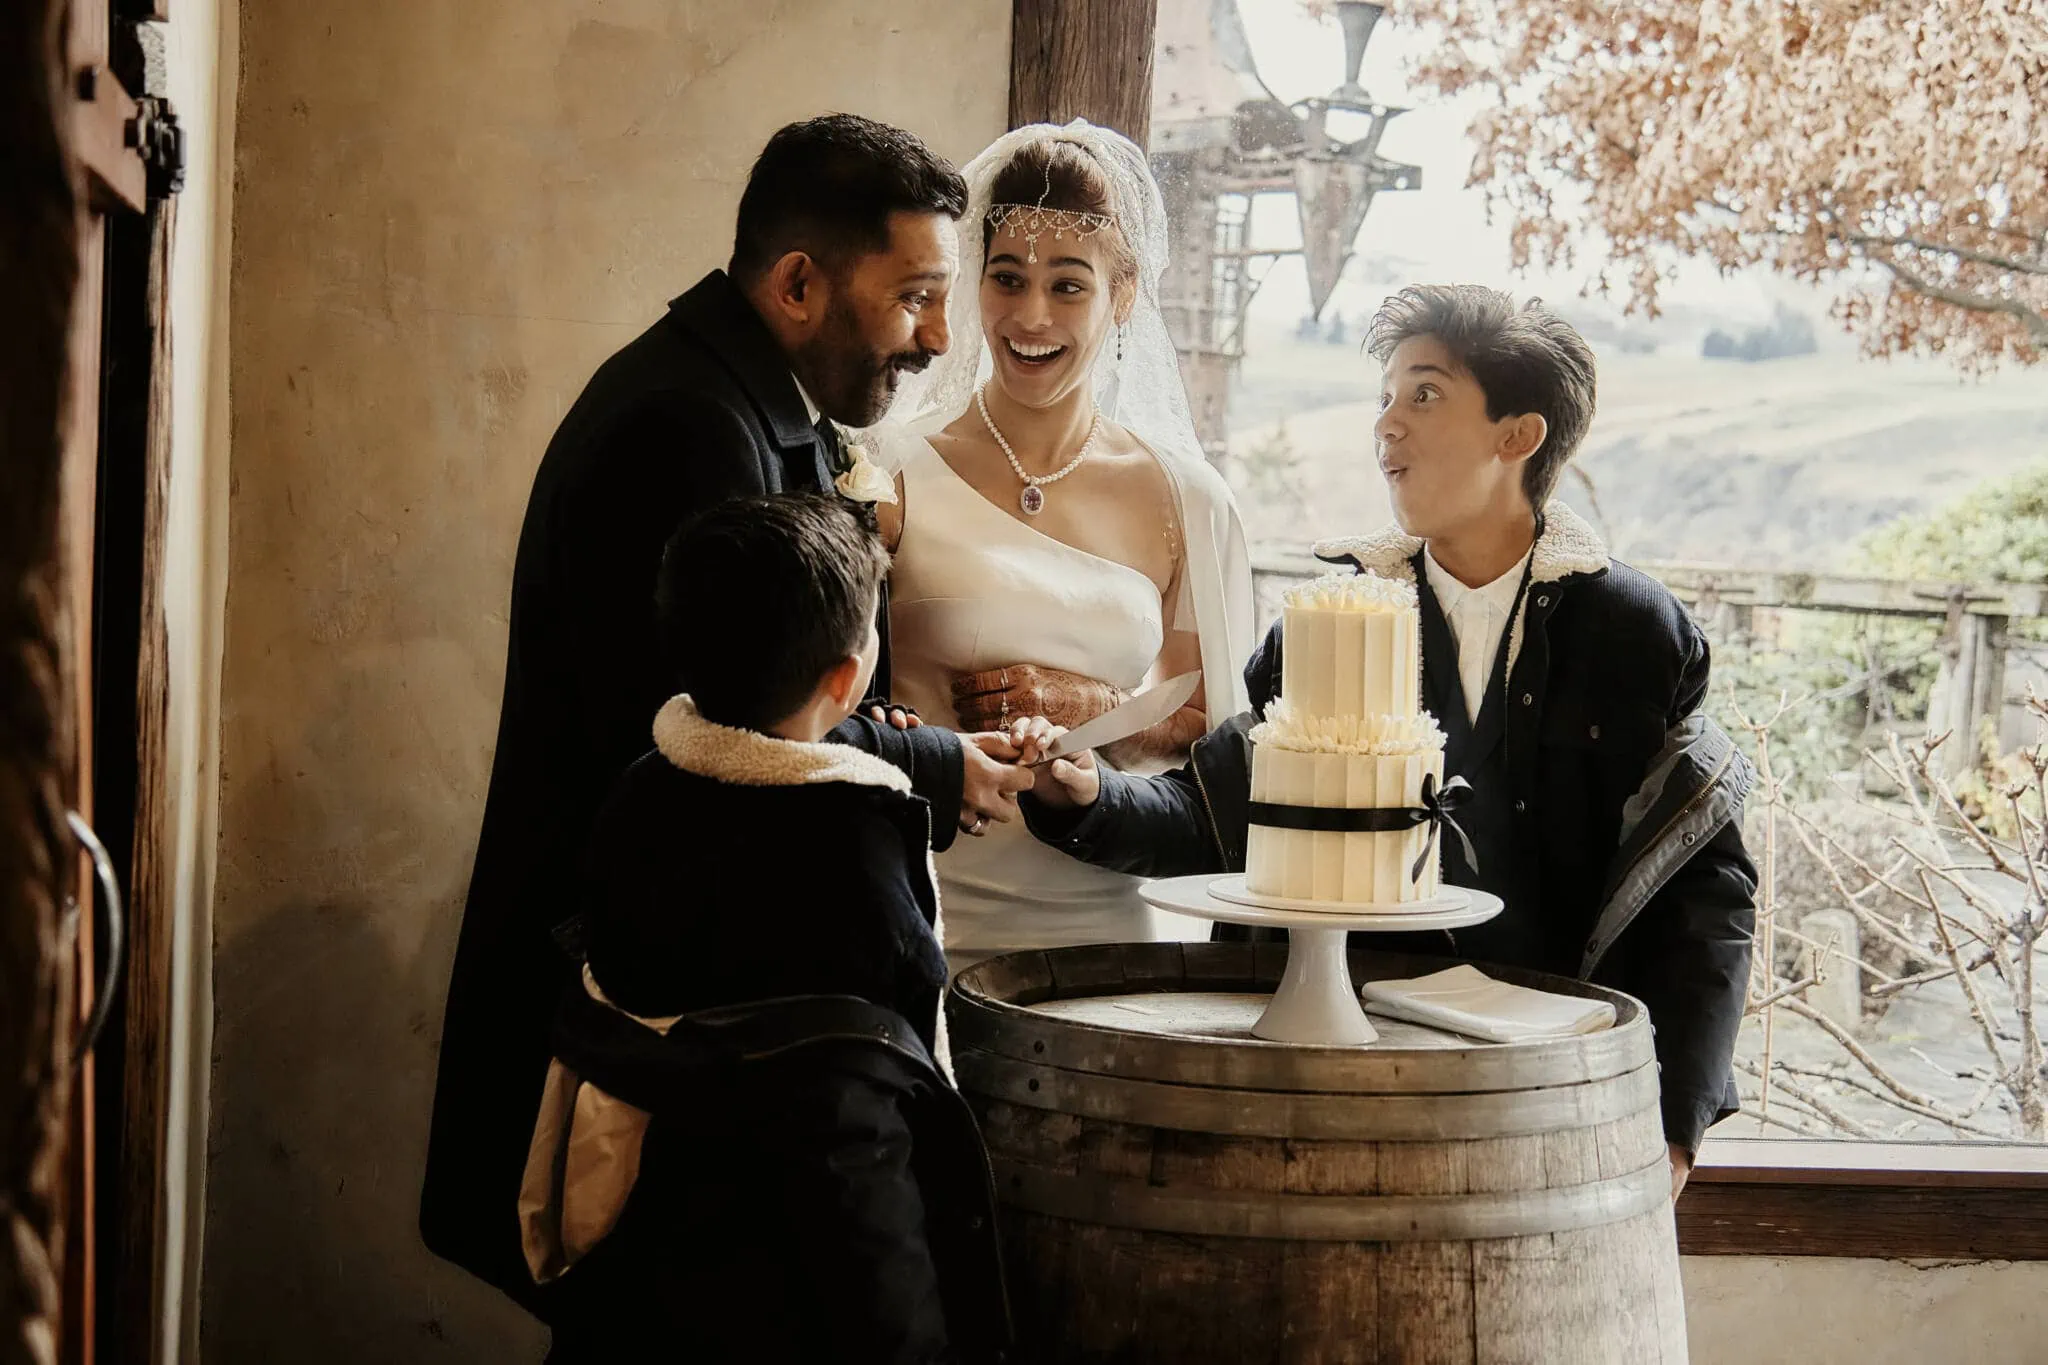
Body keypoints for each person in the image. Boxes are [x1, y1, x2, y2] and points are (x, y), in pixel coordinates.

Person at [421, 114, 1036, 1301]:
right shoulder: (687, 428)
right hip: (637, 990)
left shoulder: (739, 397)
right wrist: (944, 768)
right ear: (799, 281)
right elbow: (712, 730)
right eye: (916, 295)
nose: (940, 336)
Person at [1026, 285, 1759, 1196]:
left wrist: (1677, 1123)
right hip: (1332, 1071)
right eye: (1383, 397)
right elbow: (1225, 811)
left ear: (1517, 436)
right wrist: (1089, 795)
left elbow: (1704, 893)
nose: (1386, 426)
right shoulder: (1338, 615)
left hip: (1542, 1099)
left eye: (1422, 394)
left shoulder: (1635, 631)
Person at [520, 495, 1015, 1362]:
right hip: (796, 1293)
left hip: (640, 1267)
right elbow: (857, 1138)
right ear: (846, 680)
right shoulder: (856, 853)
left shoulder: (640, 796)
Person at [873, 121, 1256, 967]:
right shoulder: (891, 471)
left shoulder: (1186, 497)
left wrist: (1093, 713)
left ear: (1121, 298)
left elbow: (1213, 730)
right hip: (929, 910)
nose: (1030, 316)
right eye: (1006, 278)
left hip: (1109, 913)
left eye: (1068, 285)